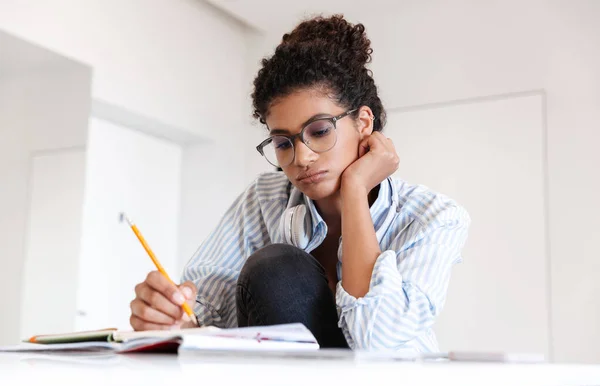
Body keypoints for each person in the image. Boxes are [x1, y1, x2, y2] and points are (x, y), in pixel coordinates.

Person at [129, 15, 470, 351]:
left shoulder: (432, 217)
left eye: (320, 131)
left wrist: (354, 190)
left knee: (279, 267)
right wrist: (174, 317)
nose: (301, 158)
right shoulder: (265, 200)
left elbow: (376, 337)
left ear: (364, 122)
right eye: (282, 143)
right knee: (277, 268)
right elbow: (207, 308)